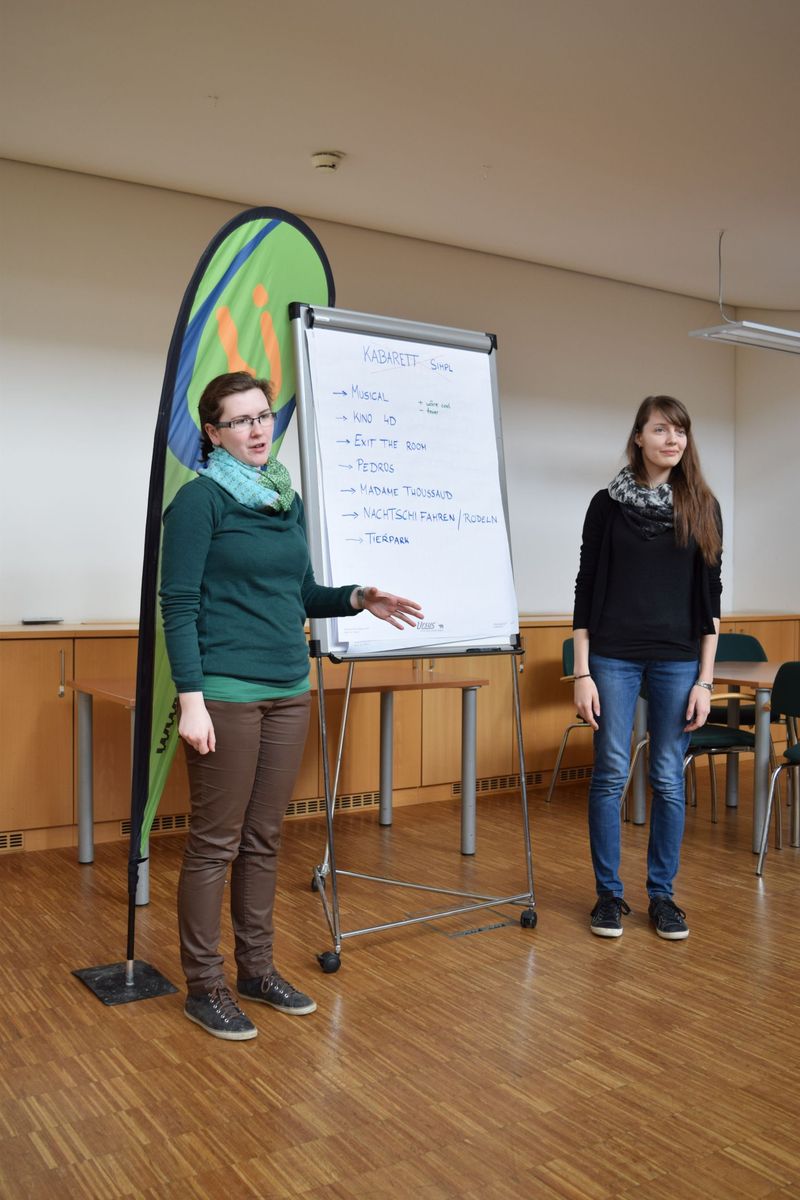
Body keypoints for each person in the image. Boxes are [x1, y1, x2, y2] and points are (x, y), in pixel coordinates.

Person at [160, 371, 423, 1039]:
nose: (257, 429)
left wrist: (357, 597)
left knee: (264, 838)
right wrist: (192, 700)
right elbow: (178, 606)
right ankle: (205, 986)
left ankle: (256, 970)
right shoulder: (199, 501)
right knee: (215, 844)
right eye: (240, 421)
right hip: (226, 693)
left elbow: (300, 591)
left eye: (264, 416)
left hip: (288, 689)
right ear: (213, 433)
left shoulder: (285, 499)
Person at [572, 395, 722, 941]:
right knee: (611, 773)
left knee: (667, 777)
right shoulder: (605, 505)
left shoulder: (702, 506)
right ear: (638, 437)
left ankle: (663, 896)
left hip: (678, 659)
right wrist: (582, 672)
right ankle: (608, 896)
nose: (672, 439)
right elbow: (585, 587)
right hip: (611, 654)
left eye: (680, 430)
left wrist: (705, 681)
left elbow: (711, 599)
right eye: (661, 429)